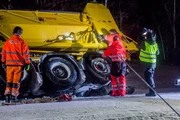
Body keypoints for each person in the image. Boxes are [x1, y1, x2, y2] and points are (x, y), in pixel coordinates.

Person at [1, 26, 31, 102]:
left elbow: (3, 53)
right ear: (19, 32)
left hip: (9, 65)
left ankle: (7, 96)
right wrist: (27, 63)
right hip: (18, 65)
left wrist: (3, 61)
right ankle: (13, 96)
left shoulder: (7, 42)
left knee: (9, 80)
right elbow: (26, 54)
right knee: (16, 81)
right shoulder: (22, 42)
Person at [103, 29, 127, 96]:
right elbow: (125, 53)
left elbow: (105, 54)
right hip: (123, 63)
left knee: (113, 77)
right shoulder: (122, 45)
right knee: (122, 77)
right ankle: (122, 93)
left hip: (116, 64)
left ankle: (115, 93)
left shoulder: (112, 45)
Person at [139, 28, 160, 97]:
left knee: (149, 77)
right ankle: (152, 91)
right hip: (153, 63)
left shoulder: (145, 43)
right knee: (150, 77)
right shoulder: (155, 44)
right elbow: (158, 53)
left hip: (146, 63)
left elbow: (138, 46)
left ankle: (152, 91)